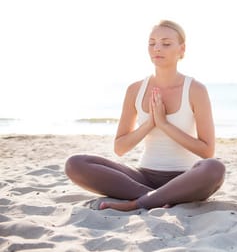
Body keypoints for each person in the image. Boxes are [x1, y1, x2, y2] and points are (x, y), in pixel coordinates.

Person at [65, 20, 225, 211]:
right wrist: (149, 124)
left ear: (181, 50)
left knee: (214, 168)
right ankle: (155, 197)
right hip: (142, 178)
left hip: (186, 179)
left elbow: (207, 151)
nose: (157, 48)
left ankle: (139, 202)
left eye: (166, 43)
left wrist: (165, 124)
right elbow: (120, 148)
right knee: (75, 164)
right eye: (152, 43)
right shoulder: (135, 90)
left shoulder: (195, 90)